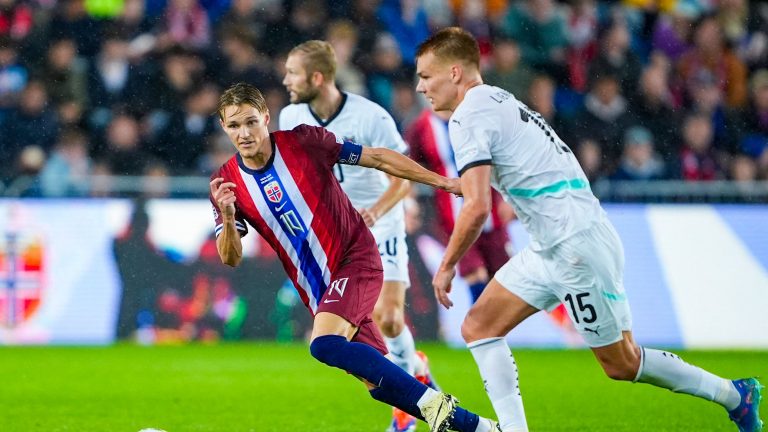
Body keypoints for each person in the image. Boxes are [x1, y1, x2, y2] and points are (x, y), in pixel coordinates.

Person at [415, 27, 764, 432]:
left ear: (455, 72)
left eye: (426, 75)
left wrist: (447, 266)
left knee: (622, 363)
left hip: (576, 247)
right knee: (479, 326)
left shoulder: (468, 116)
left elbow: (476, 209)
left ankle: (735, 396)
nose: (421, 86)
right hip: (552, 245)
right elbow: (506, 174)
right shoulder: (498, 100)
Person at [209, 82, 500, 432]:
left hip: (355, 258)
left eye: (251, 122)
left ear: (266, 118)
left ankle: (453, 417)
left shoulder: (304, 141)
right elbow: (230, 257)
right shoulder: (226, 182)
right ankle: (478, 425)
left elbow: (377, 157)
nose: (244, 133)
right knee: (379, 382)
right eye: (234, 125)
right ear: (224, 127)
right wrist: (226, 215)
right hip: (318, 291)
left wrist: (444, 182)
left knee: (324, 344)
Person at [279, 40, 433, 432]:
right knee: (358, 335)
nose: (285, 80)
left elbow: (403, 174)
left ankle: (412, 385)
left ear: (317, 77)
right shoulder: (290, 115)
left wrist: (378, 210)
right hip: (337, 235)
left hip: (379, 221)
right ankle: (413, 383)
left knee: (391, 318)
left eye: (293, 73)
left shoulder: (370, 116)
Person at [406, 108, 514, 303]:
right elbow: (407, 167)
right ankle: (481, 331)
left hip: (493, 216)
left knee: (502, 281)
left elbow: (508, 157)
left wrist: (510, 197)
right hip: (453, 220)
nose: (423, 88)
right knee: (475, 274)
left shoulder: (480, 115)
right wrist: (409, 203)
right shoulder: (421, 127)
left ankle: (488, 330)